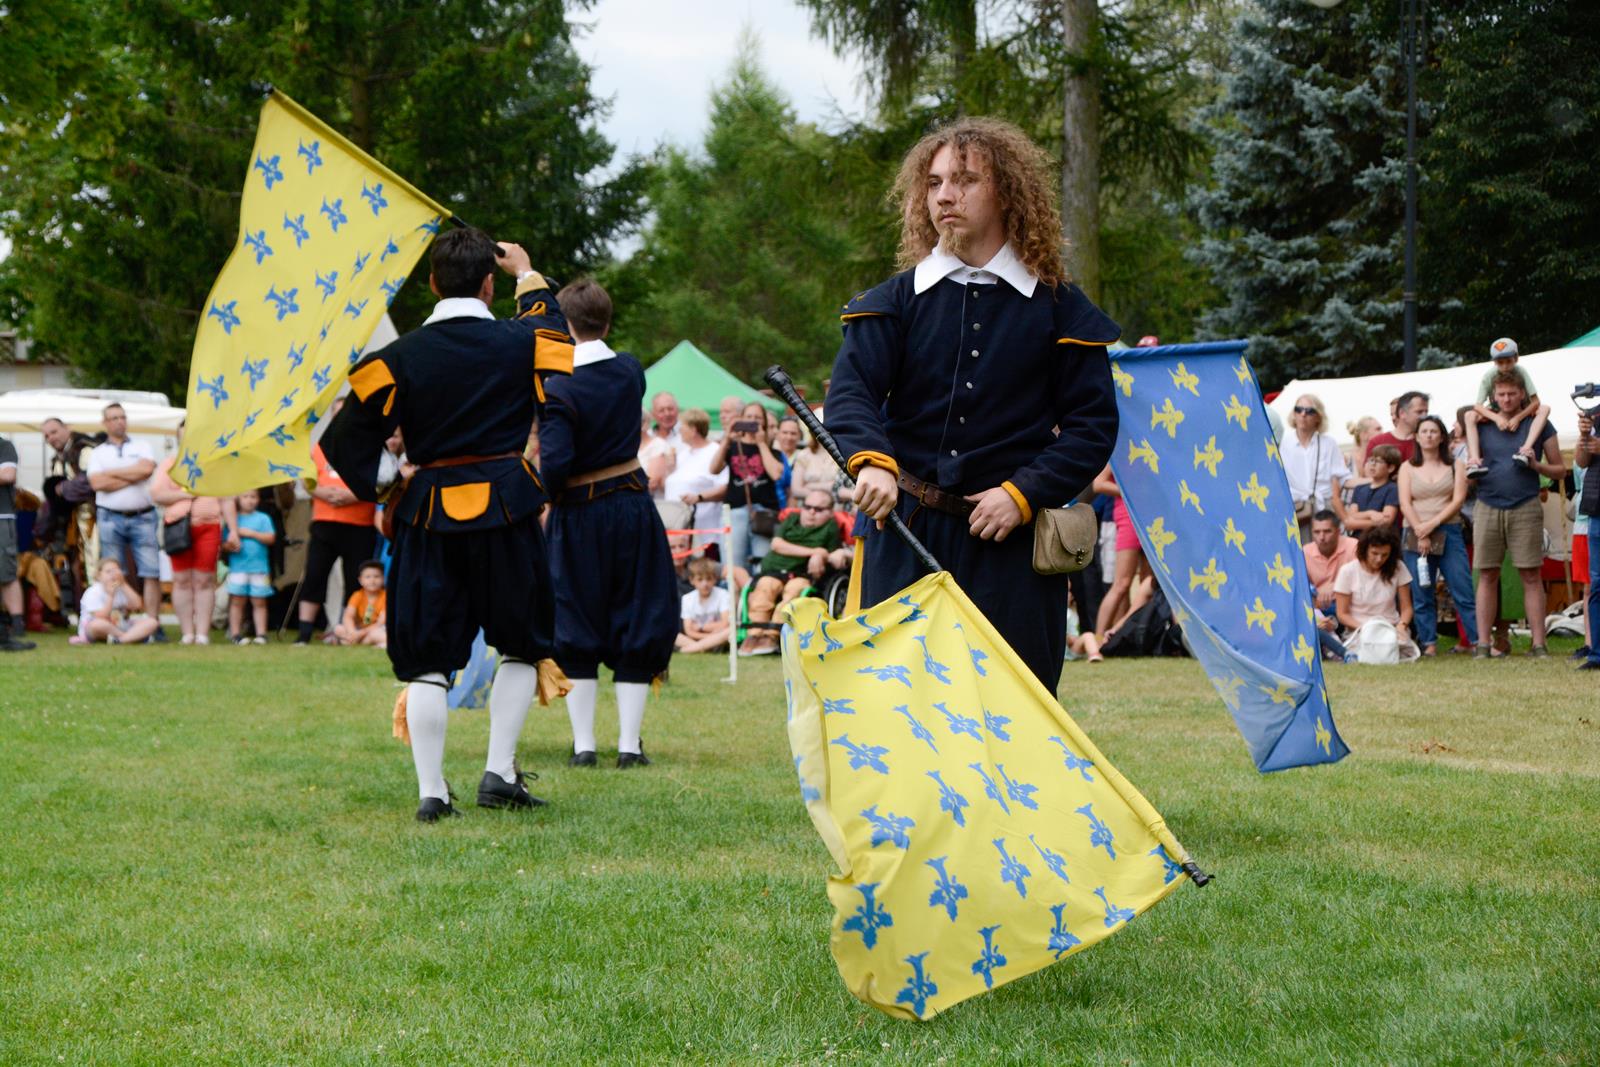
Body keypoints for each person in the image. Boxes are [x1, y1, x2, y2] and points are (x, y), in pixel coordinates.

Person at [825, 117, 1120, 689]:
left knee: (1012, 708)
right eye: (934, 183)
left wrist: (1023, 493)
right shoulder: (893, 303)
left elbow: (1092, 427)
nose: (945, 196)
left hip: (1011, 547)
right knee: (898, 708)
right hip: (903, 534)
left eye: (964, 180)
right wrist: (873, 462)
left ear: (1007, 192)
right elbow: (853, 393)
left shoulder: (1060, 310)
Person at [322, 227, 576, 821]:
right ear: (488, 285)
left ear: (433, 283)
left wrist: (389, 483)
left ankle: (431, 792)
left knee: (427, 660)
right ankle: (499, 773)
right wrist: (528, 275)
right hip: (507, 508)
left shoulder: (397, 356)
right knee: (522, 644)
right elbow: (558, 339)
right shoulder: (522, 339)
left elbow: (343, 439)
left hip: (429, 512)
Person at [540, 278, 679, 769]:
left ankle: (584, 746)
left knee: (574, 619)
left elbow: (555, 463)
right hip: (632, 509)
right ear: (607, 320)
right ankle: (628, 746)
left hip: (579, 513)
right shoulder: (629, 370)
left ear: (566, 324)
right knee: (637, 612)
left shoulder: (558, 386)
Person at [1471, 371, 1565, 659]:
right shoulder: (1481, 423)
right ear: (1493, 396)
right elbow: (1465, 454)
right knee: (1487, 573)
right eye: (1501, 394)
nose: (1507, 399)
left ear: (1523, 394)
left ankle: (1538, 644)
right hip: (1487, 504)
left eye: (1512, 393)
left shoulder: (1538, 423)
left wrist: (1537, 466)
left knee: (1531, 574)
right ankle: (1483, 644)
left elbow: (1560, 470)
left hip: (1526, 504)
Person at [295, 401, 377, 645]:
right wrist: (323, 492)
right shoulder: (320, 448)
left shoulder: (370, 446)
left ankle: (349, 632)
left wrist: (353, 495)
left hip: (359, 523)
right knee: (315, 575)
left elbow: (380, 480)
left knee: (355, 580)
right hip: (325, 521)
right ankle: (304, 634)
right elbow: (307, 480)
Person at [1398, 415, 1477, 656]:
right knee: (1422, 589)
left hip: (1448, 529)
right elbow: (1405, 503)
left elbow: (1458, 500)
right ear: (1417, 437)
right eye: (1424, 431)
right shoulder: (1407, 467)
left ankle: (1477, 640)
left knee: (1462, 586)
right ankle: (1429, 643)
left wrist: (1431, 524)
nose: (1429, 436)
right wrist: (1420, 529)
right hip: (1415, 530)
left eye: (1434, 431)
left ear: (1442, 437)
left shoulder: (1456, 465)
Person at [150, 422, 235, 644]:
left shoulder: (214, 464)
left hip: (209, 525)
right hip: (178, 526)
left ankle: (202, 633)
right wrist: (186, 496)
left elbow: (226, 499)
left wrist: (233, 530)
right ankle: (187, 632)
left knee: (205, 580)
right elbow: (157, 494)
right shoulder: (170, 464)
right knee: (181, 580)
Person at [86, 402, 163, 638]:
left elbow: (146, 470)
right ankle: (118, 621)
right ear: (105, 423)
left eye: (122, 417)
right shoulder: (98, 452)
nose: (120, 421)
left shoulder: (142, 446)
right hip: (110, 516)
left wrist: (111, 472)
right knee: (113, 572)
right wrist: (132, 473)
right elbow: (97, 483)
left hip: (143, 515)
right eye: (114, 418)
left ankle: (153, 624)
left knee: (151, 570)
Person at [741, 488, 848, 655]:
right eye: (807, 507)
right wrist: (814, 551)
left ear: (830, 512)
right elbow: (776, 544)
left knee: (794, 590)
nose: (811, 512)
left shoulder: (830, 528)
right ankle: (754, 634)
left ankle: (772, 635)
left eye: (818, 509)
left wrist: (821, 556)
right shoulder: (792, 519)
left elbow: (832, 557)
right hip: (773, 570)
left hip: (803, 575)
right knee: (764, 587)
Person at [712, 399, 783, 576]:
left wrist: (761, 443)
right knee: (733, 564)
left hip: (764, 514)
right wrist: (727, 439)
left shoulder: (772, 450)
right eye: (749, 417)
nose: (753, 421)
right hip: (735, 510)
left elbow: (776, 474)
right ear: (741, 419)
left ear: (764, 422)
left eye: (757, 418)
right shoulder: (732, 446)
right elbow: (713, 469)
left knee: (763, 564)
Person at [1464, 338, 1551, 480]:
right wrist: (1496, 418)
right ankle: (1474, 461)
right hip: (1495, 410)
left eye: (1508, 361)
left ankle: (1525, 450)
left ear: (1516, 358)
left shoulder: (1521, 371)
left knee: (1545, 409)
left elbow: (1536, 401)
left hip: (1523, 408)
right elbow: (1477, 406)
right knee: (1469, 415)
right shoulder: (1489, 375)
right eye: (1500, 362)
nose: (1505, 366)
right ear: (1494, 362)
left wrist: (1518, 417)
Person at [1334, 524, 1419, 664]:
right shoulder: (1348, 571)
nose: (1379, 559)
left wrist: (1402, 626)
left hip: (1391, 628)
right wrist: (1365, 628)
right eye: (1374, 553)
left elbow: (1407, 608)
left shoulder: (1398, 567)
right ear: (1365, 550)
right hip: (1359, 630)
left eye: (1385, 555)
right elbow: (1342, 614)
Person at [1282, 394, 1350, 542]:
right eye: (1298, 409)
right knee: (1300, 549)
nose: (1303, 414)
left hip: (1323, 508)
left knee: (1325, 548)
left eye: (1309, 411)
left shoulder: (1328, 443)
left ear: (1318, 417)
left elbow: (1343, 477)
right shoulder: (1284, 444)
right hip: (1295, 508)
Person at [1090, 465, 1149, 637]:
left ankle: (1137, 636)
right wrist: (1132, 493)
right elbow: (1099, 484)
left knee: (1148, 582)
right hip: (1128, 515)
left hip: (1150, 516)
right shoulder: (1119, 451)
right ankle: (1098, 639)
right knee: (1122, 583)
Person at [662, 408, 727, 556]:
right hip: (677, 533)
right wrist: (670, 469)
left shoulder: (715, 452)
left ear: (693, 429)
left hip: (704, 532)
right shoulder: (683, 454)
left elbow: (724, 487)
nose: (679, 431)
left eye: (682, 426)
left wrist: (698, 497)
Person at [1302, 509, 1357, 659]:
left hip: (1349, 604)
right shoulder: (1304, 552)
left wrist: (1335, 585)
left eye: (1327, 531)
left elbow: (1362, 579)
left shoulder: (1354, 546)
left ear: (1338, 531)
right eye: (1317, 532)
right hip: (1318, 608)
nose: (1321, 537)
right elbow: (1301, 589)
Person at [224, 488, 277, 644]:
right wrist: (230, 546)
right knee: (237, 601)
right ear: (238, 500)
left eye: (253, 496)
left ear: (258, 499)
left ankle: (261, 634)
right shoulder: (232, 519)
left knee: (259, 601)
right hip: (238, 568)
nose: (249, 500)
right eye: (245, 496)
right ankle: (235, 633)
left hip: (260, 568)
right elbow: (224, 544)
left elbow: (271, 538)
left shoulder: (263, 518)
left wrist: (251, 533)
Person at [0, 432, 35, 651]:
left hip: (1, 518)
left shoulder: (3, 445)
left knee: (6, 572)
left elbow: (8, 474)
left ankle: (16, 624)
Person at [77, 557, 161, 645]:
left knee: (152, 622)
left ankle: (121, 640)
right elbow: (101, 616)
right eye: (108, 571)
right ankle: (132, 637)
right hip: (99, 627)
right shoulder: (93, 592)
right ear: (99, 576)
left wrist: (124, 584)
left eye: (116, 570)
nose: (113, 574)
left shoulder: (121, 589)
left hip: (120, 625)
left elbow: (137, 605)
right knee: (97, 625)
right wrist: (111, 596)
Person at [1574, 412, 1599, 672]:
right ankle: (1596, 653)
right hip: (1595, 509)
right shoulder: (1596, 415)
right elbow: (1581, 462)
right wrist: (1584, 435)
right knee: (1596, 584)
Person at [676, 557, 732, 654]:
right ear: (692, 580)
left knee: (730, 631)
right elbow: (688, 630)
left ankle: (692, 648)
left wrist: (701, 627)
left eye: (709, 579)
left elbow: (725, 623)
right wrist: (708, 639)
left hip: (718, 636)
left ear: (715, 579)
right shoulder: (687, 598)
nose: (705, 584)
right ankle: (704, 647)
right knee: (674, 635)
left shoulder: (723, 594)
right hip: (703, 638)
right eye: (700, 580)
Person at [1341, 444, 1401, 531]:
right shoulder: (1359, 489)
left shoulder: (1392, 489)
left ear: (1390, 468)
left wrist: (1355, 523)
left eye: (1378, 461)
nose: (1372, 464)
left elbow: (1386, 520)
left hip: (1381, 536)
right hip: (1358, 536)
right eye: (1371, 460)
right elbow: (1351, 516)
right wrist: (1370, 514)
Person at [333, 560, 388, 647]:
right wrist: (352, 632)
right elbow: (348, 616)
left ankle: (351, 642)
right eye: (368, 577)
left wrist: (360, 634)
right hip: (358, 629)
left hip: (374, 630)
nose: (372, 580)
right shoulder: (357, 595)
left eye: (376, 576)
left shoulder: (386, 596)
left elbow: (381, 622)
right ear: (360, 580)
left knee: (378, 634)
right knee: (338, 628)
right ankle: (356, 641)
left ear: (383, 579)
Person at [1368, 391, 1429, 465]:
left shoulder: (1429, 442)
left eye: (1426, 412)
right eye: (1419, 412)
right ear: (1402, 413)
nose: (1425, 416)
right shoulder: (1377, 442)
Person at [773, 414, 804, 508]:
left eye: (793, 433)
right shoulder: (770, 455)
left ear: (799, 435)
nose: (789, 437)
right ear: (777, 434)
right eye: (785, 432)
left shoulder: (804, 457)